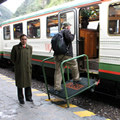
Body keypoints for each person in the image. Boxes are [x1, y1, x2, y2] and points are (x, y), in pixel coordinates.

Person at [54, 21, 80, 92]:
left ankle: (57, 87)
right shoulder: (66, 31)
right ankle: (76, 79)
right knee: (74, 64)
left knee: (58, 71)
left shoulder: (58, 33)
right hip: (66, 55)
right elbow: (70, 39)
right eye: (69, 26)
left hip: (57, 55)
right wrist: (73, 34)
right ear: (67, 26)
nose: (70, 27)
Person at [11, 34, 33, 104]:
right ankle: (21, 98)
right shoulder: (15, 48)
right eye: (22, 39)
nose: (24, 40)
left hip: (27, 68)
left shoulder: (29, 48)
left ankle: (28, 97)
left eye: (25, 39)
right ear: (20, 40)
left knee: (28, 83)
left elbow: (30, 57)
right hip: (19, 68)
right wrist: (17, 64)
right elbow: (12, 58)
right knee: (20, 84)